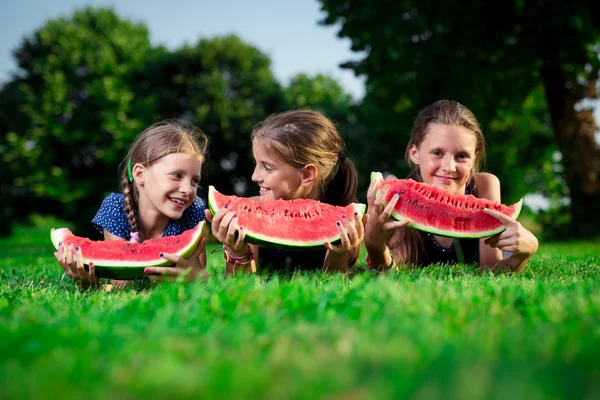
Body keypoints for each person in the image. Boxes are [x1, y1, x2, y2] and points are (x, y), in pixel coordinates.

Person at [364, 100, 539, 272]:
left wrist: (524, 253)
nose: (449, 167)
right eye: (437, 153)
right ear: (415, 154)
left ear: (475, 158)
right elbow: (394, 274)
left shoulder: (485, 185)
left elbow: (491, 269)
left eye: (462, 155)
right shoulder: (400, 200)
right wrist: (375, 246)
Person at [206, 110, 365, 274]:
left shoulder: (342, 221)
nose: (254, 176)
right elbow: (240, 287)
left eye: (267, 167)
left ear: (306, 175)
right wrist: (236, 251)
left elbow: (331, 285)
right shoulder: (253, 210)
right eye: (256, 163)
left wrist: (339, 254)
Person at [54, 121, 209, 288]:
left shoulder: (194, 210)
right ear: (140, 174)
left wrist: (196, 279)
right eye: (177, 175)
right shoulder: (116, 208)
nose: (187, 189)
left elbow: (201, 273)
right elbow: (122, 283)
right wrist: (88, 284)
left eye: (195, 181)